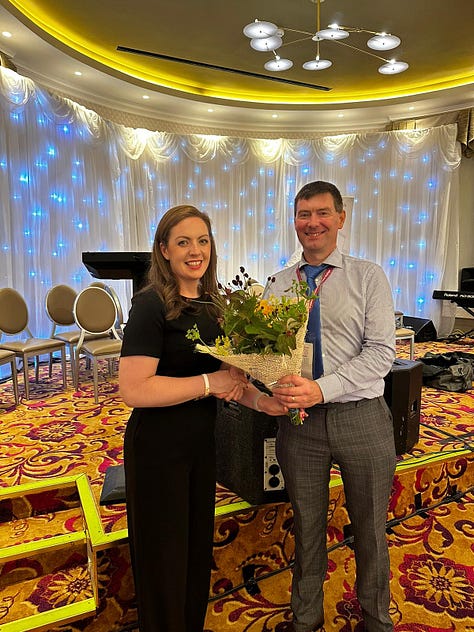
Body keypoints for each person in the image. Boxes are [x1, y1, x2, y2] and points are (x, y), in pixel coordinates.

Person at [118, 204, 284, 632]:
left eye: (203, 240)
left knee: (193, 554)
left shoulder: (213, 306)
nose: (196, 250)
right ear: (163, 251)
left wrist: (262, 403)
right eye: (183, 242)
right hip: (158, 447)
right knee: (164, 560)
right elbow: (134, 389)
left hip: (201, 445)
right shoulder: (150, 305)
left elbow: (228, 378)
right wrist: (209, 383)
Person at [268, 181, 397, 632]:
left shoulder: (368, 276)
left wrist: (321, 389)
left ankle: (376, 620)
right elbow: (266, 353)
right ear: (294, 221)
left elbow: (382, 353)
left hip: (362, 418)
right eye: (303, 214)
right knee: (306, 530)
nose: (312, 223)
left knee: (370, 531)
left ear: (341, 218)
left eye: (322, 213)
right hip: (300, 427)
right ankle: (306, 619)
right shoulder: (279, 283)